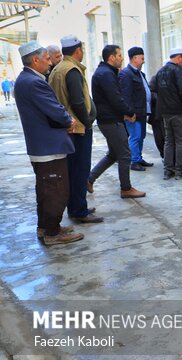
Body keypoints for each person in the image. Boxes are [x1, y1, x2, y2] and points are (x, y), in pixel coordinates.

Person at [13, 41, 84, 246]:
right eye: (46, 59)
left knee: (46, 190)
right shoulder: (33, 82)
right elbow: (55, 109)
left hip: (43, 146)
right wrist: (69, 120)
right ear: (35, 60)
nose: (49, 63)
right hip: (48, 147)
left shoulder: (27, 79)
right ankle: (53, 233)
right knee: (56, 191)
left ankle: (46, 227)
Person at [48, 35, 102, 224]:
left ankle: (77, 206)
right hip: (77, 129)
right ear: (78, 50)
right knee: (80, 170)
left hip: (69, 128)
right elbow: (78, 102)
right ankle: (79, 211)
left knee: (74, 170)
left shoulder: (59, 68)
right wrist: (87, 122)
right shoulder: (71, 70)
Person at [88, 45, 146, 199]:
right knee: (125, 154)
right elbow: (115, 98)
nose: (121, 58)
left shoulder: (106, 72)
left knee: (114, 154)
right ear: (111, 57)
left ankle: (89, 179)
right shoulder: (106, 74)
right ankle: (126, 188)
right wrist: (129, 112)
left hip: (109, 118)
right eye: (119, 55)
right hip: (110, 120)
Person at [151, 48, 182, 180]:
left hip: (165, 112)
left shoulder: (161, 71)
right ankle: (180, 170)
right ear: (178, 58)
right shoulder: (178, 71)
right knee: (180, 141)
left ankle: (167, 170)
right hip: (179, 111)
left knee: (169, 141)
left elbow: (153, 88)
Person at [119, 46, 153, 171]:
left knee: (141, 136)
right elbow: (125, 96)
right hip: (133, 114)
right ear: (134, 59)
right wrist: (129, 113)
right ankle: (134, 161)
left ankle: (138, 158)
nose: (143, 61)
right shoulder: (126, 74)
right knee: (135, 136)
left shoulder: (139, 73)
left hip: (142, 112)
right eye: (142, 58)